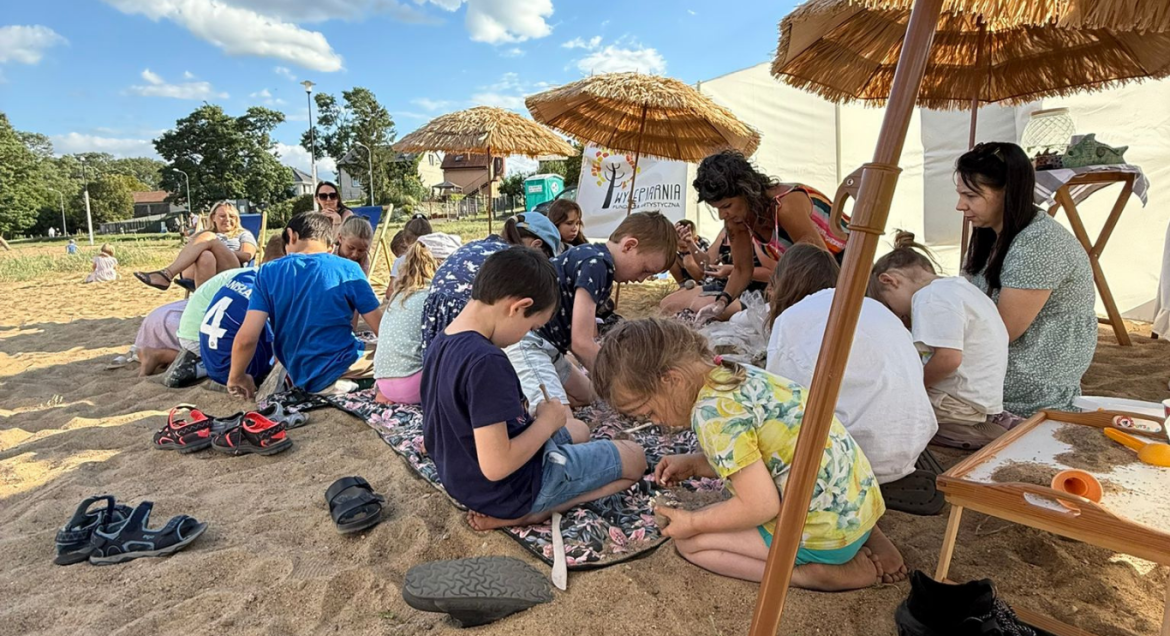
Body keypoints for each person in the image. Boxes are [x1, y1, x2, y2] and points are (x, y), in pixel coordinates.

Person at [593, 318, 903, 589]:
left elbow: (761, 505)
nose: (654, 422)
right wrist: (697, 464)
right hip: (859, 501)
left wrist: (694, 522)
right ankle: (870, 536)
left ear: (671, 379)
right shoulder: (733, 372)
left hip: (824, 533)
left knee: (691, 545)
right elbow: (767, 454)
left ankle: (813, 575)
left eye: (647, 412)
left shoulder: (711, 415)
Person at [421, 247, 647, 530]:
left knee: (580, 430)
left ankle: (544, 488)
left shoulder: (441, 341)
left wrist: (541, 423)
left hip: (463, 482)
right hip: (511, 491)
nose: (525, 336)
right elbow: (497, 465)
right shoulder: (487, 362)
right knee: (635, 457)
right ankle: (540, 510)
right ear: (518, 307)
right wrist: (546, 423)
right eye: (531, 326)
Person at [765, 244, 936, 485]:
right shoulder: (875, 307)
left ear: (785, 283)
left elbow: (780, 402)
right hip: (910, 447)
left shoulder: (792, 319)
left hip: (852, 460)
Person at [959, 142, 1096, 417]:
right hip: (1003, 359)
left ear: (1007, 193)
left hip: (1032, 375)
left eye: (971, 196)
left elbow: (1003, 332)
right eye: (960, 193)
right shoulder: (990, 233)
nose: (960, 205)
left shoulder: (1039, 244)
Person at [505, 211, 676, 411]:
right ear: (629, 246)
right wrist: (622, 382)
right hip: (529, 343)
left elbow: (585, 333)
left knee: (590, 395)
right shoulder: (597, 265)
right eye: (646, 270)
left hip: (550, 347)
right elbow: (581, 343)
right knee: (562, 422)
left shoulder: (596, 259)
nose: (641, 279)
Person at [869, 231, 1013, 449]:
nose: (900, 318)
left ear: (889, 281)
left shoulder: (929, 298)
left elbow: (948, 359)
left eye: (891, 308)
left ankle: (953, 429)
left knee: (877, 405)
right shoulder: (963, 289)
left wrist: (912, 387)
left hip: (957, 405)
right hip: (980, 400)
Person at [227, 213, 383, 399]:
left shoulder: (266, 273)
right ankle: (343, 383)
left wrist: (236, 376)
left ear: (291, 236)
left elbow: (246, 338)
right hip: (338, 365)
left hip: (295, 366)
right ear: (331, 245)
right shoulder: (348, 269)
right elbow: (381, 329)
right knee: (404, 359)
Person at [690, 151, 844, 323]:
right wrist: (721, 302)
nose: (722, 215)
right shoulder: (737, 219)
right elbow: (742, 269)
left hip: (843, 263)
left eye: (727, 206)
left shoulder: (784, 206)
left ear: (747, 191)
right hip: (815, 271)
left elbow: (820, 262)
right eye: (717, 208)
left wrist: (782, 291)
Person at [420, 212, 563, 350]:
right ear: (537, 246)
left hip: (435, 322)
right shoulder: (510, 261)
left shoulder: (477, 244)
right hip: (469, 325)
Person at [199, 236, 285, 388]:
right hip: (243, 370)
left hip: (213, 365)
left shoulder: (243, 276)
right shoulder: (271, 289)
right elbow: (251, 341)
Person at [134, 200, 257, 290]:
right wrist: (209, 247)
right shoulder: (202, 234)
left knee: (208, 240)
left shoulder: (243, 234)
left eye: (232, 216)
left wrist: (215, 246)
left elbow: (247, 255)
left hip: (229, 268)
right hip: (196, 270)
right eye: (222, 216)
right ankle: (203, 302)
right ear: (213, 217)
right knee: (206, 255)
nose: (228, 219)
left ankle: (166, 274)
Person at [374, 241, 438, 405]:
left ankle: (385, 393)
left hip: (384, 383)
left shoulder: (397, 297)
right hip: (415, 386)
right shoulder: (433, 298)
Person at [134, 299, 188, 377]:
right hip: (174, 322)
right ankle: (160, 355)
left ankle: (159, 354)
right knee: (205, 355)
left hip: (154, 317)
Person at [666, 219, 710, 288]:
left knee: (688, 259)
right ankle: (682, 285)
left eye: (684, 247)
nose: (681, 250)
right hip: (686, 271)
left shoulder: (703, 246)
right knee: (671, 258)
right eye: (679, 247)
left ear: (695, 240)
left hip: (703, 273)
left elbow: (708, 264)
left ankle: (701, 285)